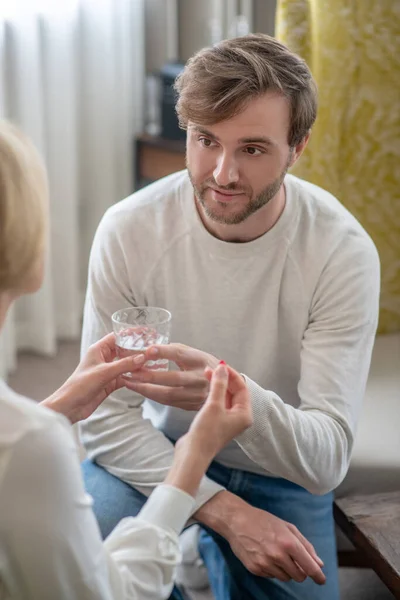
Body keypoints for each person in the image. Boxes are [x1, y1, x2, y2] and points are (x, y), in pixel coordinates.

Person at [80, 34, 380, 600]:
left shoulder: (342, 252)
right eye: (205, 140)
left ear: (298, 148)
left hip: (283, 472)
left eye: (253, 149)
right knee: (85, 578)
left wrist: (233, 392)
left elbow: (325, 461)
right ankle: (200, 542)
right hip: (163, 456)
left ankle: (194, 552)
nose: (222, 174)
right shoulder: (129, 229)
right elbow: (102, 419)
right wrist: (225, 512)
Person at [0, 119, 254, 600]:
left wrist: (58, 407)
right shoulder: (34, 448)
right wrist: (192, 459)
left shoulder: (27, 433)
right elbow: (109, 595)